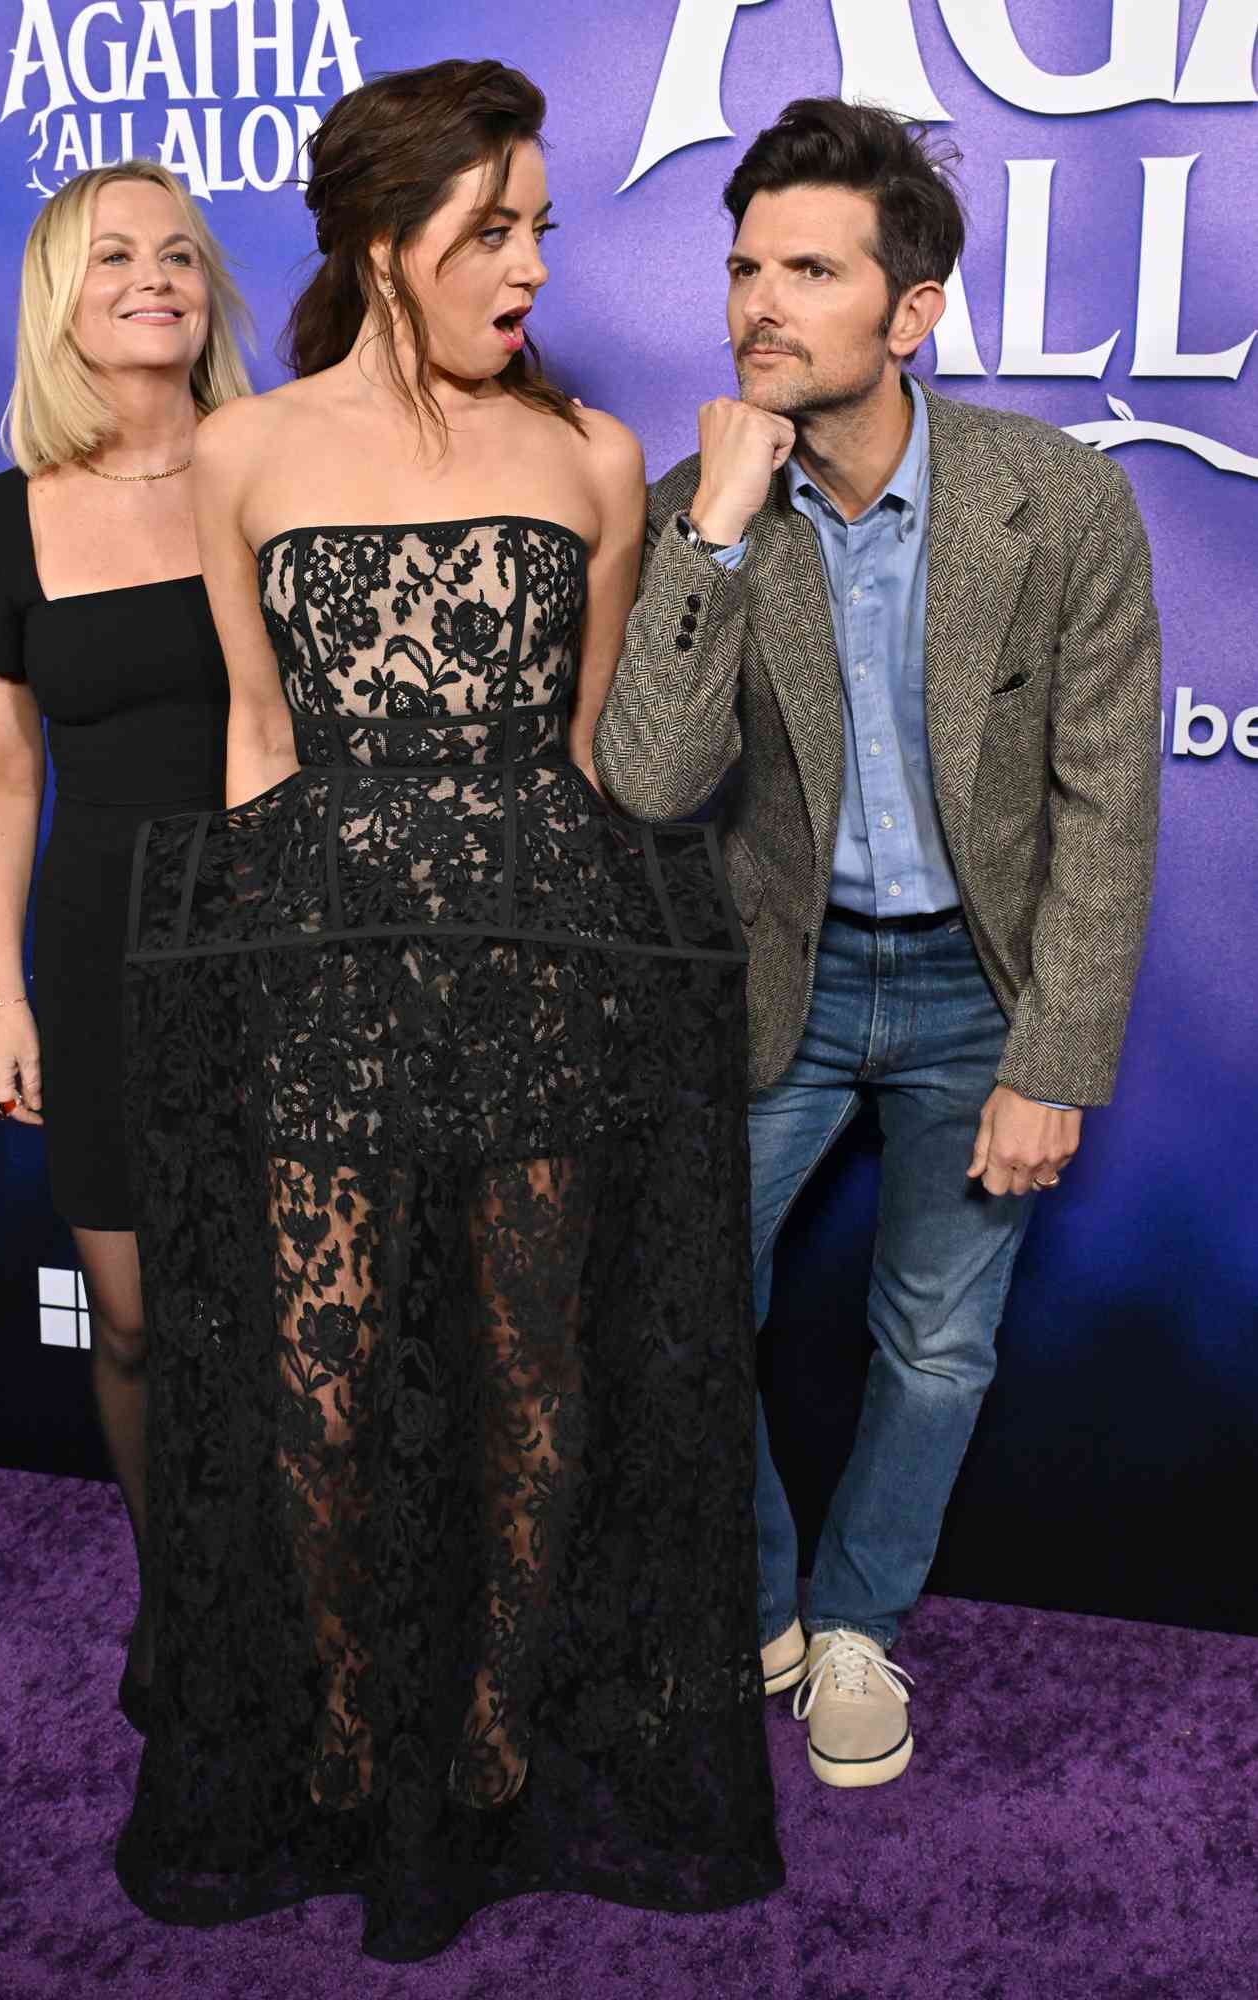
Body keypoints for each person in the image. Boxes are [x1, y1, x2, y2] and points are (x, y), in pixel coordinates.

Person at [117, 58, 781, 1961]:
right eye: (490, 230)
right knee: (319, 1403)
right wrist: (237, 1014)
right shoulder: (240, 451)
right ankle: (342, 1746)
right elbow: (257, 743)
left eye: (540, 229)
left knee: (538, 1393)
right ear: (382, 243)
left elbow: (598, 760)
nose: (526, 265)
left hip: (540, 988)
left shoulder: (586, 455)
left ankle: (490, 1750)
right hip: (314, 993)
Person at [594, 99, 1161, 1791]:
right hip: (783, 976)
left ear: (909, 312)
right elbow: (649, 777)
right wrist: (707, 529)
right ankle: (760, 1599)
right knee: (674, 1302)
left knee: (933, 1341)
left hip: (975, 993)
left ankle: (856, 1627)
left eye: (811, 271)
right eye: (744, 266)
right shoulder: (702, 498)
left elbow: (1107, 810)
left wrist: (1051, 1062)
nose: (759, 303)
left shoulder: (1053, 504)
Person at [0, 160, 251, 1735]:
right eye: (117, 253)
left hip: (282, 947)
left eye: (182, 253)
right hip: (100, 952)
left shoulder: (282, 470)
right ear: (60, 295)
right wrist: (3, 995)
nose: (157, 275)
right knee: (133, 1317)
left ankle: (304, 1595)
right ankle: (178, 1590)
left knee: (284, 1310)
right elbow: (2, 771)